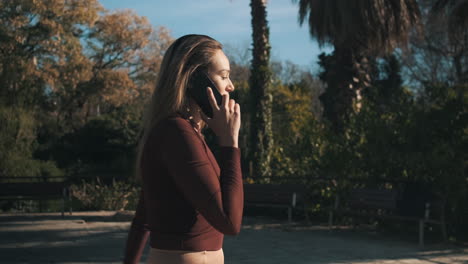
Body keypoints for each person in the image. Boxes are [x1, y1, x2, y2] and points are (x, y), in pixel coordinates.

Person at [123, 34, 243, 264]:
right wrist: (230, 144)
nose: (231, 85)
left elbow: (144, 212)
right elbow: (230, 222)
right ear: (195, 79)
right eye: (224, 76)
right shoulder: (177, 133)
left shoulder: (181, 131)